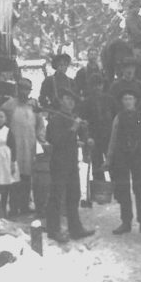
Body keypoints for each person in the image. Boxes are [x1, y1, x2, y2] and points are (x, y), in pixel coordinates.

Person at [43, 88, 96, 242]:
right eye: (67, 99)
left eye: (73, 100)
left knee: (74, 195)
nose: (70, 102)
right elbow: (56, 141)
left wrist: (86, 136)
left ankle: (75, 228)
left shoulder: (71, 117)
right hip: (59, 162)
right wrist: (73, 128)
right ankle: (54, 230)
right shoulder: (55, 120)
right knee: (56, 197)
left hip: (72, 161)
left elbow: (79, 136)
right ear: (61, 101)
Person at [105, 91, 141, 236]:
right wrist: (109, 158)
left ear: (135, 101)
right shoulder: (118, 118)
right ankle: (126, 222)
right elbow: (113, 139)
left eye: (130, 98)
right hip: (121, 157)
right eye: (125, 99)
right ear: (122, 101)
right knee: (123, 188)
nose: (128, 101)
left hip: (138, 156)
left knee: (140, 189)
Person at [0, 78, 45, 217]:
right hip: (14, 147)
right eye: (22, 89)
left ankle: (24, 206)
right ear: (17, 89)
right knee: (15, 178)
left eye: (27, 89)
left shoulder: (33, 105)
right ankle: (14, 208)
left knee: (27, 177)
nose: (24, 92)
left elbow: (40, 125)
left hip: (29, 145)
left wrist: (42, 140)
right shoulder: (8, 106)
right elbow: (0, 122)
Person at [79, 74, 116, 182]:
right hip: (94, 139)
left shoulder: (110, 100)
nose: (97, 88)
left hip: (109, 138)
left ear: (103, 85)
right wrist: (87, 138)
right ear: (90, 87)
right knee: (97, 166)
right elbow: (82, 124)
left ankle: (118, 192)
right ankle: (100, 193)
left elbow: (116, 118)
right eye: (94, 85)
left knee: (113, 164)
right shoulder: (86, 103)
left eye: (99, 85)